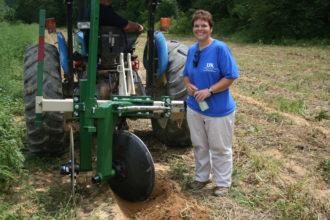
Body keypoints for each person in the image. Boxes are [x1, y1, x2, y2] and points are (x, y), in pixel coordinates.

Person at [182, 10, 240, 197]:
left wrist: (210, 91)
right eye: (197, 26)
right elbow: (186, 75)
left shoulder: (220, 49)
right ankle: (201, 178)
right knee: (199, 144)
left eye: (203, 25)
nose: (200, 29)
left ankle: (222, 183)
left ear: (210, 28)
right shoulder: (192, 50)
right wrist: (189, 85)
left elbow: (231, 76)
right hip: (194, 107)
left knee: (220, 148)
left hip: (219, 109)